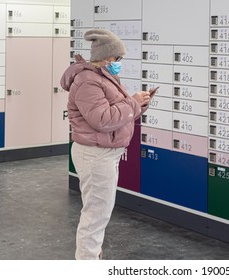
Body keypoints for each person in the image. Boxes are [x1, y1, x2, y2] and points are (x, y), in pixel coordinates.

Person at [60, 29, 151, 260]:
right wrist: (133, 102)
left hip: (104, 154)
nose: (119, 63)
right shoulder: (87, 81)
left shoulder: (104, 78)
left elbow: (119, 114)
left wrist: (139, 105)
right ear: (106, 57)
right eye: (117, 59)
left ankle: (92, 259)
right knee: (95, 215)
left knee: (99, 212)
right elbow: (103, 119)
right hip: (95, 155)